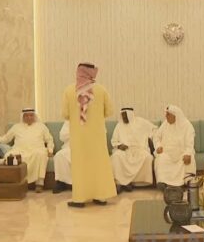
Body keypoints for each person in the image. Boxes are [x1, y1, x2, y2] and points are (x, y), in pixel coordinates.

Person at [61, 62, 116, 207]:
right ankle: (100, 197)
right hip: (97, 136)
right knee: (98, 164)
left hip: (78, 137)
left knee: (80, 166)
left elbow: (65, 114)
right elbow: (109, 111)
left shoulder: (69, 90)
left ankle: (79, 199)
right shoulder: (101, 90)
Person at [0, 108, 54, 193]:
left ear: (34, 116)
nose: (29, 117)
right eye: (26, 116)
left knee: (41, 154)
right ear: (23, 117)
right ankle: (16, 183)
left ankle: (39, 184)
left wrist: (50, 150)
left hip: (37, 149)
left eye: (31, 115)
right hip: (20, 150)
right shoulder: (16, 127)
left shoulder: (41, 126)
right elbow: (6, 138)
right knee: (9, 156)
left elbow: (49, 139)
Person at [111, 108, 156, 192]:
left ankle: (136, 183)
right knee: (116, 156)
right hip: (124, 150)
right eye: (122, 115)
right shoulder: (119, 125)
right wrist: (119, 145)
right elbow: (114, 140)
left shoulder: (141, 122)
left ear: (130, 115)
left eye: (125, 115)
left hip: (140, 149)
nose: (123, 117)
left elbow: (154, 129)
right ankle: (120, 183)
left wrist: (151, 139)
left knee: (148, 157)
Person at [153, 105, 196, 188]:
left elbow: (190, 143)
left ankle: (184, 182)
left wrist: (188, 153)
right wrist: (158, 146)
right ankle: (163, 182)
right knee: (161, 159)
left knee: (188, 159)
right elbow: (156, 137)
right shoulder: (165, 124)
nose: (166, 116)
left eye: (168, 115)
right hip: (167, 153)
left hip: (182, 153)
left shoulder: (187, 126)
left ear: (175, 115)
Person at [52, 121, 71, 194]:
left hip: (86, 147)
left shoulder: (92, 119)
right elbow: (62, 137)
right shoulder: (69, 121)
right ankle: (61, 182)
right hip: (70, 146)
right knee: (59, 155)